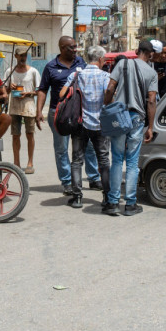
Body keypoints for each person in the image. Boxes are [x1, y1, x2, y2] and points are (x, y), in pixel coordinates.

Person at [36, 37, 100, 195]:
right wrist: (38, 111)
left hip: (80, 112)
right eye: (72, 47)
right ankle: (67, 182)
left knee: (89, 146)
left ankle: (93, 178)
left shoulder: (81, 63)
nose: (75, 50)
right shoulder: (51, 67)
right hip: (59, 113)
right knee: (61, 148)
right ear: (62, 48)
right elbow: (43, 89)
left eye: (76, 47)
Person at [103, 39, 158, 216]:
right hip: (136, 118)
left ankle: (112, 203)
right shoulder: (152, 72)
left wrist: (106, 106)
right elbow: (151, 100)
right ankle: (130, 204)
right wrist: (150, 126)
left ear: (136, 51)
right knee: (132, 163)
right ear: (150, 55)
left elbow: (110, 88)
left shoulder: (123, 64)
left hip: (119, 117)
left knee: (117, 159)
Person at [59, 46, 112, 210]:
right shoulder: (105, 76)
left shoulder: (76, 74)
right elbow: (109, 96)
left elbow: (61, 94)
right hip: (100, 124)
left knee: (76, 161)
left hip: (79, 124)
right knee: (103, 161)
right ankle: (107, 197)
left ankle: (77, 198)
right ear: (101, 59)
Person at [4, 48, 40, 174]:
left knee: (30, 134)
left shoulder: (33, 72)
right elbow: (5, 92)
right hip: (14, 106)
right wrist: (9, 87)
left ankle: (30, 162)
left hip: (29, 106)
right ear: (15, 56)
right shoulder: (10, 71)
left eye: (24, 55)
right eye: (20, 55)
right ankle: (16, 163)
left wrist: (28, 93)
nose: (23, 58)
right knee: (15, 135)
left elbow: (39, 91)